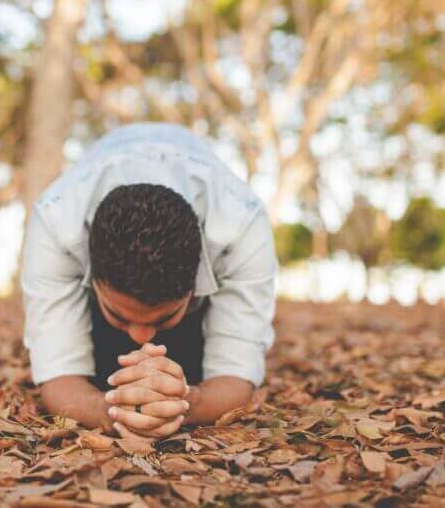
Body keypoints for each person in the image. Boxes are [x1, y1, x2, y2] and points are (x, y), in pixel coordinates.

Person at [21, 123, 277, 442]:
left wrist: (186, 402)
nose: (141, 336)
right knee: (105, 367)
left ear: (194, 284)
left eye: (164, 317)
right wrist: (110, 409)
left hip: (196, 317)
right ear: (93, 276)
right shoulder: (56, 222)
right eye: (120, 315)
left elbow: (237, 374)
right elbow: (58, 376)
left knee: (187, 362)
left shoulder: (241, 225)